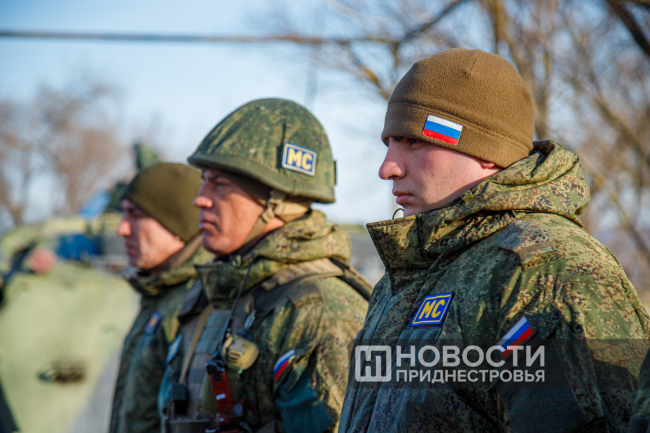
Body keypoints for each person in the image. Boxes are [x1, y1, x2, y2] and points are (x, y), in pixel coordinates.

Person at [337, 48, 650, 433]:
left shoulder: (545, 272)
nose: (387, 167)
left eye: (412, 141)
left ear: (485, 151)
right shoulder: (405, 276)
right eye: (389, 142)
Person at [158, 98, 372, 433]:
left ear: (276, 201)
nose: (200, 198)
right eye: (204, 180)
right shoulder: (212, 292)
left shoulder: (323, 311)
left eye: (220, 185)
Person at [109, 162, 211, 433]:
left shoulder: (196, 302)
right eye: (123, 213)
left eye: (136, 215)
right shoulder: (158, 293)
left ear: (176, 223)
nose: (122, 229)